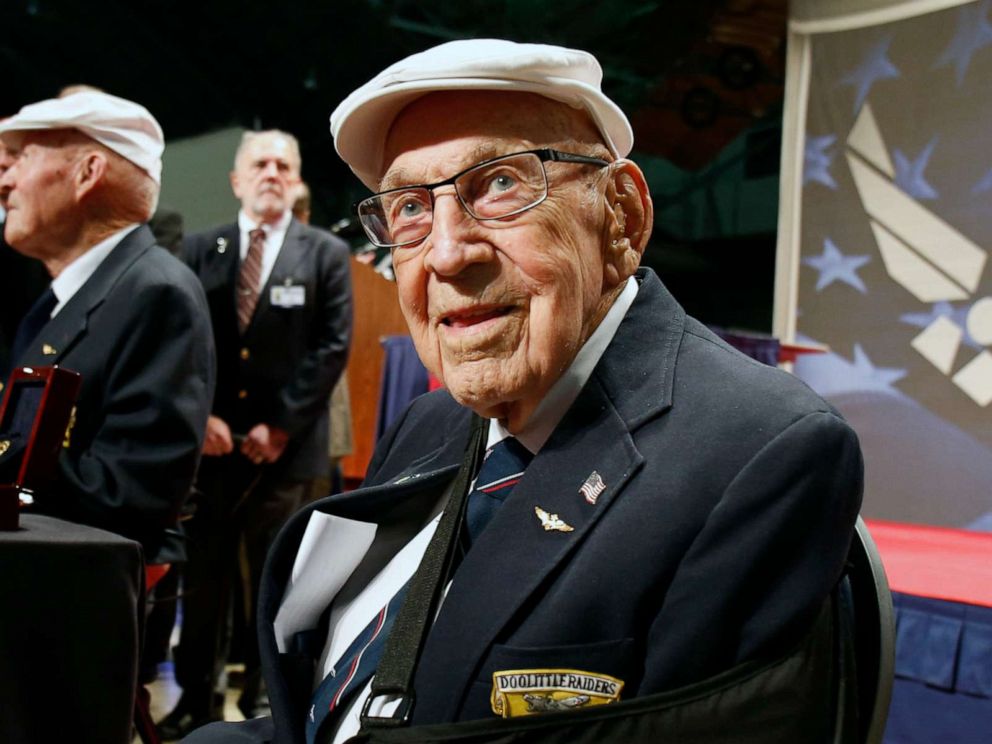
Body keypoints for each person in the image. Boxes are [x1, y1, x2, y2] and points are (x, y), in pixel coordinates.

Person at [188, 39, 863, 744]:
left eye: (500, 184)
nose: (447, 254)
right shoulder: (429, 423)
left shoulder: (761, 455)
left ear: (622, 216)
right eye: (410, 209)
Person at [160, 130, 352, 737]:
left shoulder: (323, 253)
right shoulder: (198, 248)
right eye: (259, 164)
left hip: (286, 455)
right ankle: (195, 697)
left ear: (295, 180)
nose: (272, 172)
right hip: (212, 451)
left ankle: (271, 700)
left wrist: (280, 427)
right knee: (206, 578)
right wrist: (204, 416)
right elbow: (181, 342)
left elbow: (331, 347)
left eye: (283, 165)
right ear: (237, 180)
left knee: (280, 583)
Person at [0, 91, 215, 563]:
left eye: (22, 158)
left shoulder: (157, 292)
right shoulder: (68, 297)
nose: (5, 180)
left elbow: (133, 495)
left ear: (87, 173)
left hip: (81, 598)